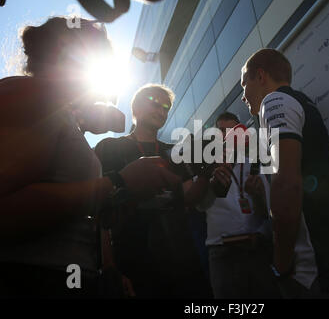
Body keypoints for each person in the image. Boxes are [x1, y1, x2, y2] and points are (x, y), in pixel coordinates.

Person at [0, 17, 180, 298]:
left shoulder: (57, 111)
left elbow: (69, 201)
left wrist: (106, 258)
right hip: (32, 279)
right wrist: (118, 182)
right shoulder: (30, 95)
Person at [240, 48, 329, 298]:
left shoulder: (274, 102)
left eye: (244, 83)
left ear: (261, 76)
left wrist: (281, 263)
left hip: (316, 271)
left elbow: (287, 187)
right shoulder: (301, 102)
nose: (242, 95)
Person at [95, 84, 211, 298]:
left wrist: (206, 175)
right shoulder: (110, 147)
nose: (161, 111)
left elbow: (189, 199)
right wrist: (109, 264)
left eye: (166, 108)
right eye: (155, 105)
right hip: (132, 259)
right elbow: (100, 210)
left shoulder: (174, 152)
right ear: (136, 109)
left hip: (181, 261)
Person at [190, 112, 280, 299]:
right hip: (222, 254)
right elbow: (200, 206)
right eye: (222, 131)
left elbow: (266, 213)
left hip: (256, 249)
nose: (227, 136)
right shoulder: (206, 167)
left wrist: (256, 197)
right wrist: (211, 184)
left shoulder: (253, 165)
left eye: (232, 131)